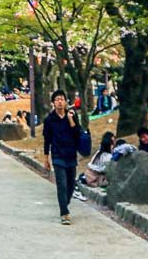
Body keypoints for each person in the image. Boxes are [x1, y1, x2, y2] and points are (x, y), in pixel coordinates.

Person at [42, 90, 82, 225]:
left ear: (65, 102)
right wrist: (46, 158)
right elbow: (47, 140)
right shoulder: (49, 120)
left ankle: (65, 203)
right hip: (58, 155)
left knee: (71, 185)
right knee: (62, 185)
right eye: (57, 99)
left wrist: (71, 119)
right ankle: (64, 213)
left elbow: (77, 134)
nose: (60, 102)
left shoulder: (72, 116)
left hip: (71, 155)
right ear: (53, 103)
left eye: (62, 99)